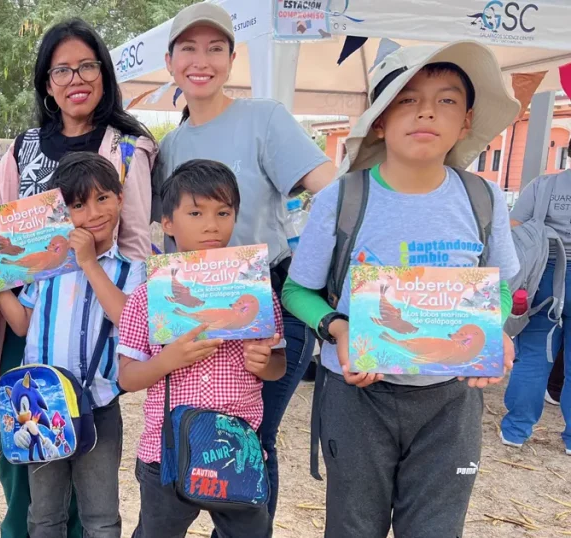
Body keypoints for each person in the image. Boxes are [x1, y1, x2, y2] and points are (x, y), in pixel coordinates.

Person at [284, 42, 520, 536]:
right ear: (380, 119)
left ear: (467, 120)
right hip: (358, 400)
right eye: (407, 98)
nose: (427, 110)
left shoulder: (483, 198)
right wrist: (338, 328)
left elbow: (497, 286)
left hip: (450, 402)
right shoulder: (342, 198)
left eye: (447, 100)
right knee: (353, 527)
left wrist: (492, 330)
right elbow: (296, 292)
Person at [150, 3, 336, 518]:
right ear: (170, 61)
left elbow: (337, 195)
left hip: (270, 305)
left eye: (215, 49)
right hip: (196, 310)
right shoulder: (167, 148)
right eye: (188, 48)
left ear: (232, 59)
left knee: (254, 436)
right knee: (198, 428)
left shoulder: (265, 118)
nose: (201, 60)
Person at [0, 17, 156, 538]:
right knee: (23, 451)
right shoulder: (25, 144)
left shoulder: (127, 145)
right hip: (37, 319)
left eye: (86, 65)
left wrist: (110, 283)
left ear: (104, 72)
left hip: (98, 325)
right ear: (46, 83)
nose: (75, 78)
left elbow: (137, 236)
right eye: (61, 70)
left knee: (95, 472)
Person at [0, 152, 145, 538]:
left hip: (98, 407)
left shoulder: (132, 270)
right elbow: (21, 324)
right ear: (64, 214)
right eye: (79, 205)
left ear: (120, 199)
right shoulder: (48, 269)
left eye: (103, 198)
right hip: (41, 410)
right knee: (44, 514)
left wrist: (89, 263)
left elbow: (128, 320)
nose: (94, 213)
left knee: (100, 516)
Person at [117, 159, 285, 538]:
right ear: (169, 222)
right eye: (196, 212)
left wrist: (266, 362)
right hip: (167, 455)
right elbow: (127, 378)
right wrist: (167, 360)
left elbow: (278, 366)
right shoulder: (147, 297)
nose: (212, 224)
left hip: (237, 450)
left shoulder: (256, 292)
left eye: (223, 212)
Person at [502, 161, 571, 455]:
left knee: (532, 357)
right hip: (551, 276)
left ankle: (515, 431)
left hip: (544, 276)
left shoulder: (544, 186)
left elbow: (514, 227)